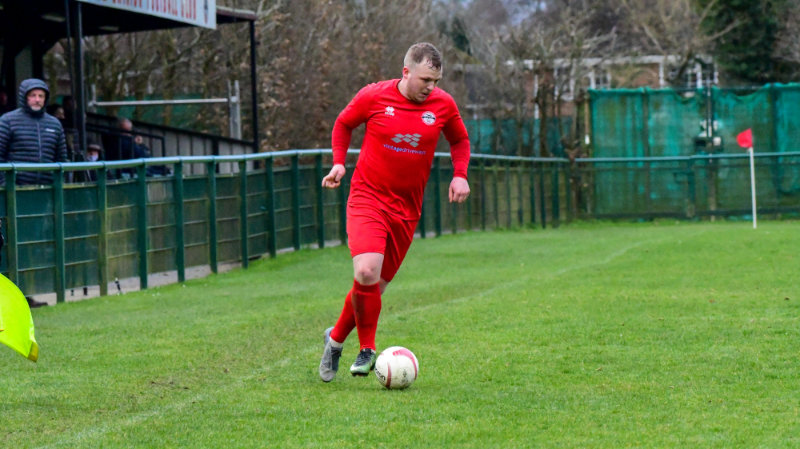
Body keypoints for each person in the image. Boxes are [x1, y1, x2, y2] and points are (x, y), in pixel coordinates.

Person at [318, 42, 471, 381]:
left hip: (406, 208)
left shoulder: (443, 104)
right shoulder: (374, 96)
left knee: (374, 286)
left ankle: (335, 339)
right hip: (368, 197)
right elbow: (343, 124)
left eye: (436, 81)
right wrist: (339, 163)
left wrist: (460, 174)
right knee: (367, 271)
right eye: (425, 79)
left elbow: (459, 140)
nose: (431, 87)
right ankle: (367, 349)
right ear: (406, 72)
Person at [0, 79, 68, 186]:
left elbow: (61, 159)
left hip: (48, 189)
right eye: (33, 95)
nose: (37, 100)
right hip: (15, 189)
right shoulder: (7, 121)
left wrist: (59, 184)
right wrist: (5, 184)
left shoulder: (55, 124)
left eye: (41, 96)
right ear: (24, 97)